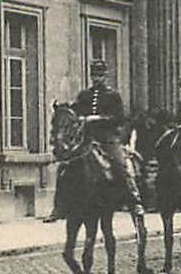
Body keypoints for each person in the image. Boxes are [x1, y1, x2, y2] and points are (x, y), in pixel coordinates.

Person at [49, 57, 142, 222]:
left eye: (99, 75)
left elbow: (119, 118)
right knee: (64, 167)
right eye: (94, 75)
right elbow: (76, 110)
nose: (96, 78)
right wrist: (64, 107)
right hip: (87, 139)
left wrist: (97, 118)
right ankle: (59, 207)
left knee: (121, 165)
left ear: (105, 76)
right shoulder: (85, 95)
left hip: (107, 139)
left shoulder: (113, 96)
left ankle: (134, 201)